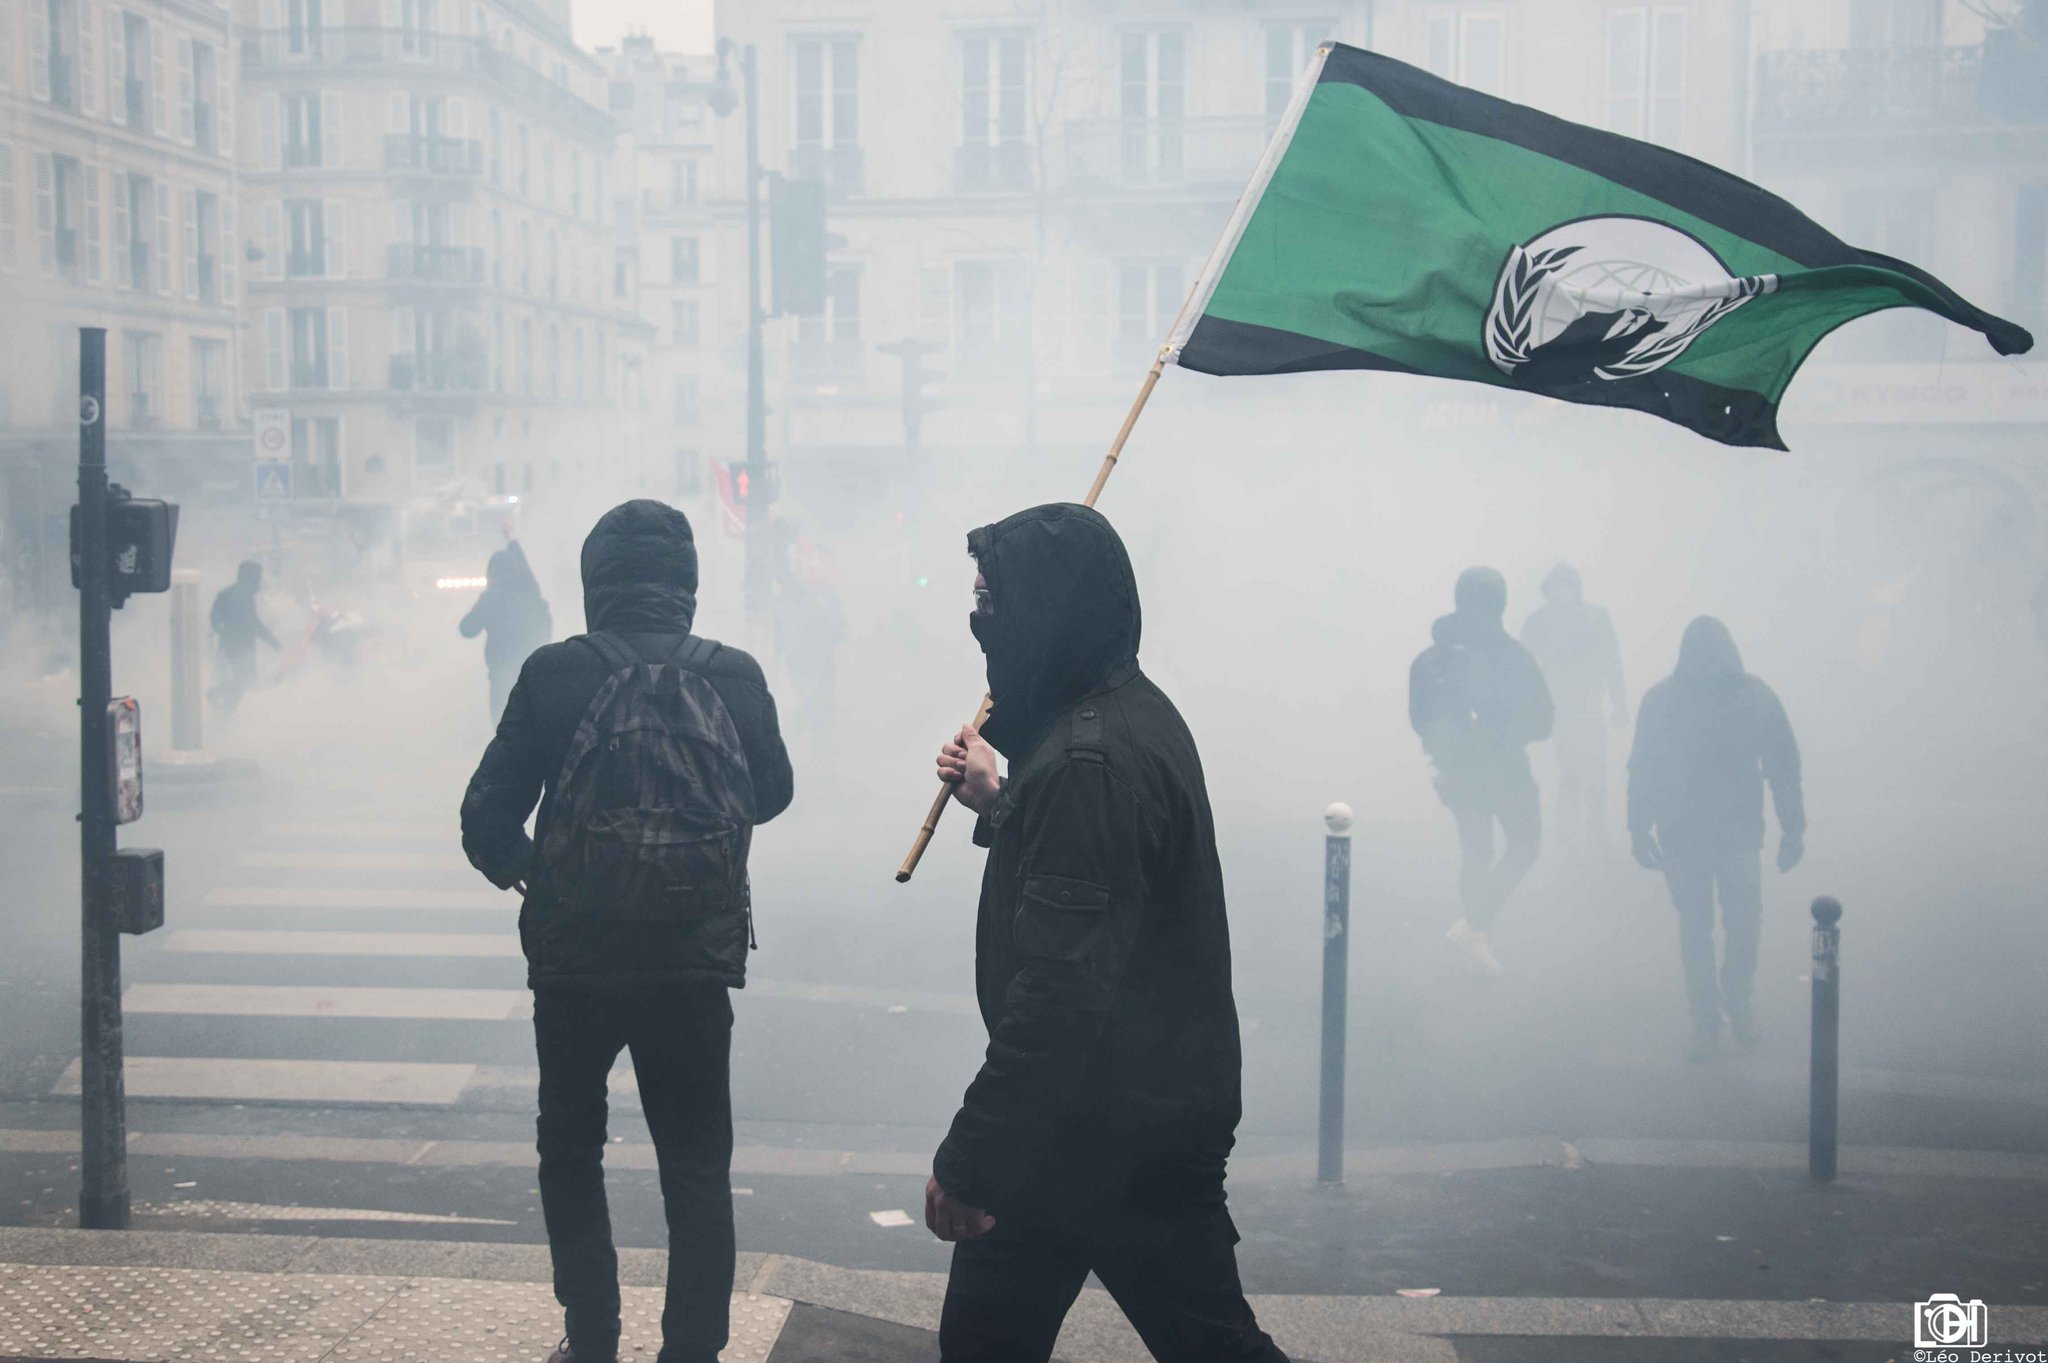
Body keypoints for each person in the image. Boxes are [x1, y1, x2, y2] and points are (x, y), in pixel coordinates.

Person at [928, 503, 1288, 1363]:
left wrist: (973, 1153)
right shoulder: (1126, 714)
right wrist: (1004, 797)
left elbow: (1060, 988)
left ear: (1047, 608)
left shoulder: (1086, 760)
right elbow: (1101, 889)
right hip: (1116, 1117)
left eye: (994, 599)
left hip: (1102, 1134)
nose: (980, 620)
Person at [459, 500, 793, 1363]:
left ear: (593, 582)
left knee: (570, 1150)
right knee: (695, 1164)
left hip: (576, 966)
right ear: (685, 584)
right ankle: (693, 1350)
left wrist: (539, 871)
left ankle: (593, 1338)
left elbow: (484, 817)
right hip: (691, 965)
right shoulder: (737, 676)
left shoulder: (552, 675)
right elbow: (775, 792)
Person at [1627, 616, 1804, 1063]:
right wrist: (1637, 826)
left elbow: (1782, 763)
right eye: (1698, 657)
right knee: (1707, 928)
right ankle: (1711, 1018)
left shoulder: (1741, 696)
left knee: (1726, 926)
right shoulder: (1682, 699)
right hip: (1694, 833)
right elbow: (1643, 767)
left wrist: (1794, 826)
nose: (1705, 666)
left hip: (1726, 832)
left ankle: (1732, 1003)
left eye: (1711, 656)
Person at [1409, 567, 1554, 977]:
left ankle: (1477, 936)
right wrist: (1505, 732)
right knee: (1524, 845)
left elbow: (1419, 716)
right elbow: (1544, 720)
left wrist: (1447, 749)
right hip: (1506, 771)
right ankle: (1476, 928)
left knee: (1476, 851)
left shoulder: (1432, 658)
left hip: (1455, 773)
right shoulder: (1510, 655)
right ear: (1501, 602)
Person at [1520, 562, 1628, 853]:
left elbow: (1612, 662)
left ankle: (1597, 838)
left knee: (1596, 774)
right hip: (1559, 709)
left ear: (1576, 587)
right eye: (1553, 587)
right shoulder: (1539, 621)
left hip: (1590, 705)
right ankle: (1568, 841)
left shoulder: (1595, 618)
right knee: (1570, 774)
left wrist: (1620, 704)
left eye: (1564, 586)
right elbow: (1522, 665)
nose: (1558, 592)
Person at [460, 539, 554, 723]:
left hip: (502, 676)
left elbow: (467, 628)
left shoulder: (492, 599)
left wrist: (485, 600)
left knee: (503, 727)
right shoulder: (533, 598)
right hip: (536, 674)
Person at [208, 560, 279, 715]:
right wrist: (273, 642)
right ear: (250, 577)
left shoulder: (227, 593)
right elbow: (254, 624)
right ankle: (220, 701)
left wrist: (221, 630)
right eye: (257, 577)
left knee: (243, 680)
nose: (259, 582)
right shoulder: (243, 597)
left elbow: (214, 617)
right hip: (240, 646)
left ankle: (224, 706)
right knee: (244, 680)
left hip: (231, 644)